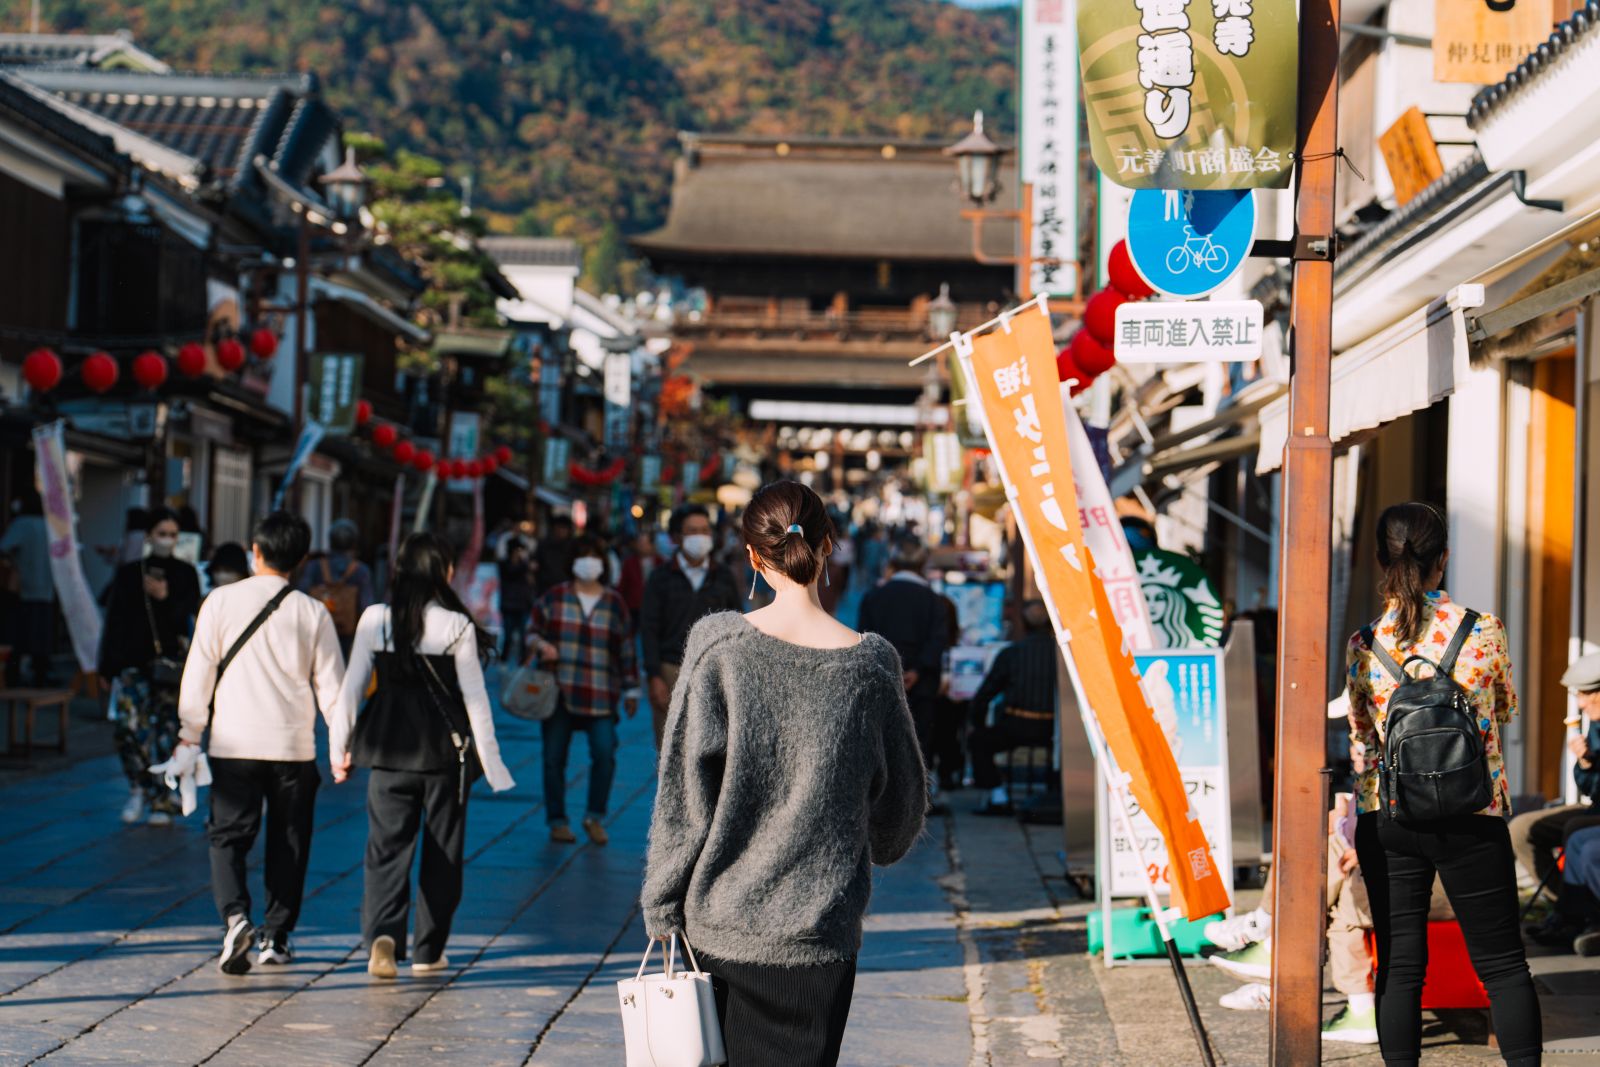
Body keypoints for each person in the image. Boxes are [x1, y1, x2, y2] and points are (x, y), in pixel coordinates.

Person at [641, 480, 926, 1067]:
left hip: (719, 928)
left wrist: (662, 903)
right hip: (820, 934)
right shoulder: (871, 663)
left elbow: (682, 797)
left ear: (752, 556)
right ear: (829, 547)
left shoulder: (718, 646)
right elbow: (898, 822)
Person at [1347, 502, 1539, 1067]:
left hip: (1390, 816)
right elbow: (1503, 710)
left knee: (1402, 967)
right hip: (1471, 814)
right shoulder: (1483, 630)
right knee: (1504, 965)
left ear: (1382, 558)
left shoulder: (1364, 644)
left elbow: (1364, 732)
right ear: (1444, 558)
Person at [333, 532, 515, 980]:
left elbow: (350, 690)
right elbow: (475, 702)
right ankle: (429, 950)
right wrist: (492, 766)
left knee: (385, 850)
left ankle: (383, 935)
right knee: (442, 854)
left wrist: (338, 749)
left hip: (388, 750)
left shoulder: (375, 619)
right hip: (442, 757)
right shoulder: (456, 625)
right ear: (444, 573)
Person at [173, 511, 344, 975]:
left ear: (256, 551)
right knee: (289, 840)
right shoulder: (312, 612)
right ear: (302, 559)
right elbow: (333, 688)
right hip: (292, 747)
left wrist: (190, 732)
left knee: (228, 836)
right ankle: (277, 936)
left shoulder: (219, 602)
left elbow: (199, 673)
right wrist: (341, 746)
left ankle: (234, 918)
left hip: (233, 743)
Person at [527, 536, 639, 845]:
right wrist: (541, 644)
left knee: (605, 754)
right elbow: (531, 632)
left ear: (603, 565)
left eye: (594, 556)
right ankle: (557, 820)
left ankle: (594, 816)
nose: (588, 562)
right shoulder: (554, 597)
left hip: (601, 693)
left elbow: (626, 649)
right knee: (553, 758)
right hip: (559, 692)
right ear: (572, 563)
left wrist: (632, 690)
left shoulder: (614, 602)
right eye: (582, 556)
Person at [99, 506, 201, 826]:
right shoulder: (130, 573)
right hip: (131, 663)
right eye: (162, 534)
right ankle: (139, 786)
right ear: (148, 536)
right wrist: (106, 667)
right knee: (128, 728)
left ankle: (161, 798)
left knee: (165, 732)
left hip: (169, 666)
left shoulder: (185, 573)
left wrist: (166, 598)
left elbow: (189, 622)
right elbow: (114, 619)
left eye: (173, 535)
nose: (167, 541)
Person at [1515, 650, 1600, 947]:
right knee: (1522, 829)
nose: (1580, 703)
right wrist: (1586, 763)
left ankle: (1580, 916)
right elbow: (1589, 787)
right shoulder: (1595, 724)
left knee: (1578, 833)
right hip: (1594, 806)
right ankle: (1568, 912)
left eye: (1587, 695)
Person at [640, 503, 741, 746]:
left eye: (705, 530)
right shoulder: (661, 577)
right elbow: (649, 628)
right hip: (670, 669)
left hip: (711, 672)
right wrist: (654, 676)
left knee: (709, 751)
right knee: (669, 751)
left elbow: (736, 625)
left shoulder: (723, 576)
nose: (700, 537)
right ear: (676, 537)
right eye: (692, 531)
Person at [857, 538, 949, 784]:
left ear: (893, 563)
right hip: (922, 681)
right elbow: (938, 640)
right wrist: (917, 670)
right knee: (921, 738)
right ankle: (922, 790)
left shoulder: (875, 596)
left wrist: (892, 670)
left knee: (885, 737)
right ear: (922, 564)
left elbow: (865, 638)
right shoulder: (933, 600)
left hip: (882, 677)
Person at [967, 600, 1057, 816]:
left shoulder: (1012, 653)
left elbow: (984, 695)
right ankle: (1055, 792)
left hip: (1015, 725)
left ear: (1024, 624)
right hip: (1054, 729)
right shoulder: (1064, 656)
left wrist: (977, 723)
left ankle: (998, 797)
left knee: (977, 741)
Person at [0, 491, 55, 686]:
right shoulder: (50, 526)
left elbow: (4, 547)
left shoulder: (23, 523)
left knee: (19, 635)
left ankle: (13, 675)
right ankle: (41, 674)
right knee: (41, 634)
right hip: (47, 588)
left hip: (24, 587)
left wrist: (12, 563)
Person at [299, 518, 375, 654]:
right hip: (348, 637)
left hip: (316, 632)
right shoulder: (361, 571)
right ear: (354, 543)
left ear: (330, 541)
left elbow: (301, 597)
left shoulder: (314, 566)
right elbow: (366, 607)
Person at [498, 540, 535, 662]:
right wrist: (525, 564)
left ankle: (522, 664)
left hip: (523, 605)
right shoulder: (505, 565)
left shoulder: (525, 566)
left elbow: (530, 583)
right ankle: (503, 661)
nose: (520, 553)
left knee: (523, 638)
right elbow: (512, 572)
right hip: (509, 606)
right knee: (508, 637)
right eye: (518, 550)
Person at [616, 530, 657, 624]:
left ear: (652, 545)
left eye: (645, 543)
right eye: (640, 543)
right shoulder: (629, 563)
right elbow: (622, 585)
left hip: (655, 607)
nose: (641, 546)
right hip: (634, 608)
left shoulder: (661, 562)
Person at [533, 514, 576, 595]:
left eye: (564, 528)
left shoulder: (573, 546)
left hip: (567, 588)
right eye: (558, 527)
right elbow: (536, 564)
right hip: (546, 588)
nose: (561, 531)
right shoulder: (543, 545)